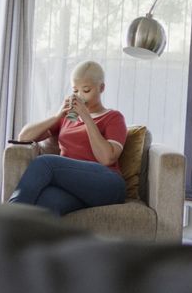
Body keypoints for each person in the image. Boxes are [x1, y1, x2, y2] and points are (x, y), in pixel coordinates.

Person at [8, 61, 127, 216]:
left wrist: (86, 117)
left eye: (86, 90)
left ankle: (6, 219)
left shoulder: (114, 117)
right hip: (74, 188)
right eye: (75, 91)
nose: (79, 96)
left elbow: (107, 158)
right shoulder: (68, 118)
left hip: (107, 185)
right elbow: (23, 137)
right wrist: (58, 116)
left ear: (101, 88)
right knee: (44, 205)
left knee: (45, 163)